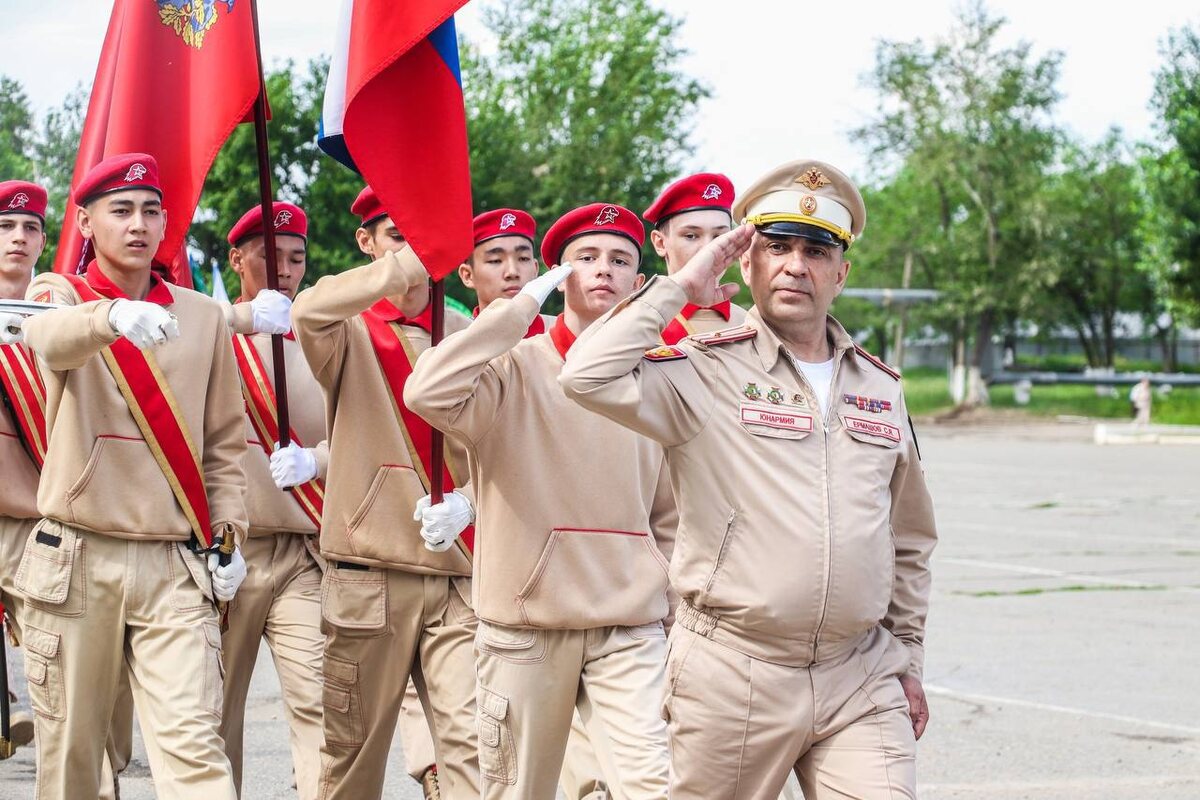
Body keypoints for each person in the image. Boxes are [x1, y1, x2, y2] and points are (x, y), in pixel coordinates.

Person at [561, 160, 939, 799]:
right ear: (746, 263)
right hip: (734, 671)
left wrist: (906, 654)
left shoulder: (881, 387)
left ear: (840, 273)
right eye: (777, 247)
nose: (796, 265)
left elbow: (909, 538)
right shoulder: (703, 371)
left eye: (817, 251)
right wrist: (679, 286)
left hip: (859, 672)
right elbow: (584, 375)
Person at [405, 202, 675, 800]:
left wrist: (675, 603)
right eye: (586, 258)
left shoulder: (656, 377)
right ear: (556, 275)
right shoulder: (511, 367)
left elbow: (670, 512)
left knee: (655, 785)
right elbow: (426, 391)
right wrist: (518, 309)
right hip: (526, 628)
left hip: (628, 624)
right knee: (515, 791)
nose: (604, 269)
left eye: (621, 260)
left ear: (639, 280)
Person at [19, 153, 249, 799]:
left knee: (195, 751)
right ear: (86, 223)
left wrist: (230, 535)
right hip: (77, 556)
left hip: (173, 562)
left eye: (151, 211)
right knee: (73, 761)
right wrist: (109, 318)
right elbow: (46, 338)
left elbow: (226, 444)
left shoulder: (202, 315)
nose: (139, 223)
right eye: (120, 210)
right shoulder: (59, 296)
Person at [291, 186, 478, 799]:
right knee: (354, 755)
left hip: (458, 569)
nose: (418, 253)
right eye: (399, 237)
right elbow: (306, 312)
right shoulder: (347, 328)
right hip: (370, 570)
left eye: (426, 238)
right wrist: (402, 265)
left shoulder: (467, 327)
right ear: (367, 244)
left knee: (474, 747)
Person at [460, 207, 618, 800]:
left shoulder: (641, 359)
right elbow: (434, 406)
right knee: (506, 771)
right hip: (501, 576)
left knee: (625, 773)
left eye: (522, 257)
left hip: (607, 600)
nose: (511, 269)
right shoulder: (488, 351)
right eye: (495, 258)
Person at [217, 201, 326, 799]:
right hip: (228, 551)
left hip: (301, 551)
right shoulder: (215, 330)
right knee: (214, 714)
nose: (284, 268)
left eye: (296, 257)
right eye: (268, 254)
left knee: (321, 706)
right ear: (237, 259)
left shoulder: (320, 336)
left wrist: (320, 460)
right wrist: (239, 319)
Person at [0, 180, 50, 757]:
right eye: (7, 226)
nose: (19, 237)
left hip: (40, 513)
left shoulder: (58, 314)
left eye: (29, 227)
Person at [643, 172, 747, 343]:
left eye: (719, 236)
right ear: (660, 243)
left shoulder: (753, 325)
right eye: (691, 236)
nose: (710, 248)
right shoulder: (640, 323)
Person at [460, 209, 556, 336]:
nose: (512, 272)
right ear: (468, 275)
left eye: (523, 258)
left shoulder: (562, 334)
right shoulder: (452, 343)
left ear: (535, 269)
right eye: (495, 261)